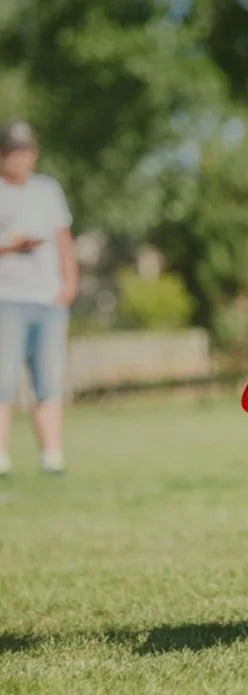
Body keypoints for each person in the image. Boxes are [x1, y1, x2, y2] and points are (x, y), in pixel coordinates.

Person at [0, 120, 78, 476]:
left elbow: (63, 238)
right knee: (3, 381)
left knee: (48, 380)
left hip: (47, 300)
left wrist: (69, 282)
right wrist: (13, 245)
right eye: (13, 151)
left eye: (25, 150)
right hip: (6, 298)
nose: (20, 158)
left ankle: (52, 456)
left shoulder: (48, 189)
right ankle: (1, 457)